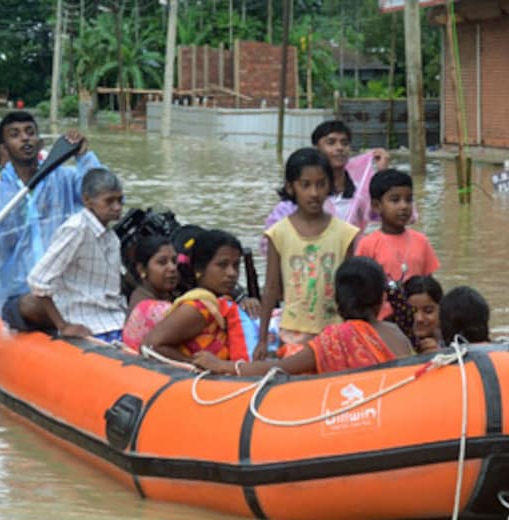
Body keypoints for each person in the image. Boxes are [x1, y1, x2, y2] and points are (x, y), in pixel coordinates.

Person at [0, 111, 101, 321]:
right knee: (35, 303)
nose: (25, 138)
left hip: (67, 289)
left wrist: (83, 157)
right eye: (15, 134)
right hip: (20, 298)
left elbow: (105, 199)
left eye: (30, 132)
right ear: (4, 149)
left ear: (39, 142)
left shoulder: (66, 180)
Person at [195, 257, 411, 376]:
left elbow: (278, 369)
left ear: (337, 299)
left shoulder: (334, 338)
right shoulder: (396, 332)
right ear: (381, 299)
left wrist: (224, 366)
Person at [257, 147, 360, 360]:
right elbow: (271, 288)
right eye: (305, 185)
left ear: (330, 185)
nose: (314, 193)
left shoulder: (345, 234)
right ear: (291, 187)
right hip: (293, 333)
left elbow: (350, 291)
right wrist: (262, 340)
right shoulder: (278, 233)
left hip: (335, 332)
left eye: (321, 184)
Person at [19, 168, 126, 341]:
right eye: (109, 201)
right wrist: (63, 325)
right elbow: (38, 279)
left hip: (115, 317)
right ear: (86, 200)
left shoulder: (111, 237)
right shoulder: (76, 229)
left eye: (120, 200)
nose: (117, 207)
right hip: (87, 322)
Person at [260, 120, 392, 253]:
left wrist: (384, 175)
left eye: (345, 143)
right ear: (316, 148)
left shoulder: (360, 194)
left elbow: (392, 216)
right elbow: (269, 245)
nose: (340, 148)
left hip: (351, 267)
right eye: (331, 142)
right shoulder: (295, 201)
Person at [142, 230, 250, 363]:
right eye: (222, 265)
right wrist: (195, 364)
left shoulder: (222, 303)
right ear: (199, 269)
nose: (232, 273)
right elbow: (151, 345)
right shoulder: (197, 309)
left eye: (236, 265)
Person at [354, 168, 440, 319]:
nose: (404, 206)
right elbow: (360, 291)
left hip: (417, 321)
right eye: (395, 200)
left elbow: (430, 288)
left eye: (408, 200)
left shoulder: (421, 241)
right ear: (376, 206)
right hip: (382, 323)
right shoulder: (367, 244)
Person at [122, 235, 181, 352]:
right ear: (142, 270)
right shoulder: (148, 306)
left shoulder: (144, 293)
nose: (172, 268)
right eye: (162, 262)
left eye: (174, 261)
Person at [403, 274, 443, 353]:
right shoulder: (391, 341)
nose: (419, 318)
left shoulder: (453, 341)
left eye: (428, 311)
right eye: (412, 311)